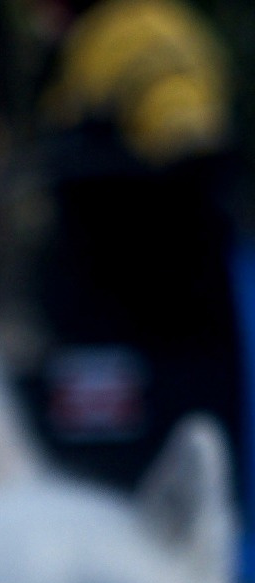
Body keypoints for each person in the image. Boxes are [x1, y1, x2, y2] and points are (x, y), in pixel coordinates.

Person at [29, 0, 247, 492]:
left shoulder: (132, 29)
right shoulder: (146, 27)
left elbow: (187, 134)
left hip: (151, 306)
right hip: (144, 305)